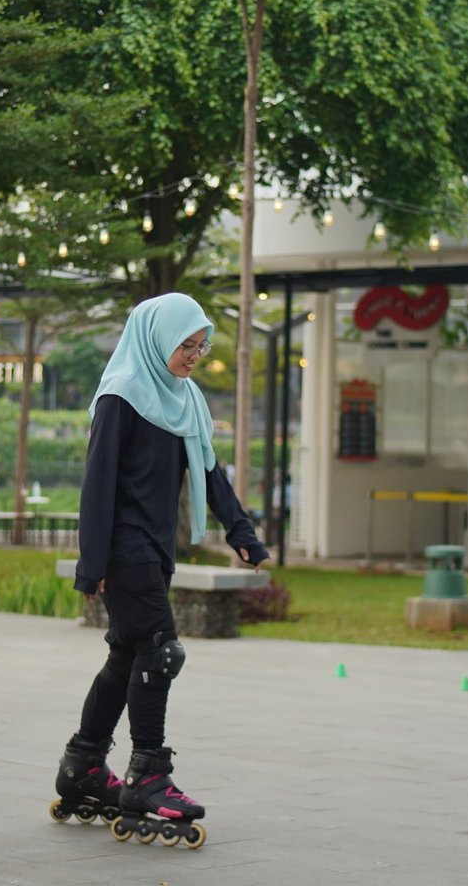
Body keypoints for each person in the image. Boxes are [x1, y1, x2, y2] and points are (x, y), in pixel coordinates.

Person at [53, 293, 268, 844]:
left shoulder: (187, 400)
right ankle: (148, 773)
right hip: (126, 550)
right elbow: (97, 484)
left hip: (156, 549)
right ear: (155, 339)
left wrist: (241, 532)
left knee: (128, 655)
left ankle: (82, 766)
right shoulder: (120, 396)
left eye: (201, 346)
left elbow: (210, 472)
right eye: (186, 345)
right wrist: (91, 562)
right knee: (161, 650)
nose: (195, 355)